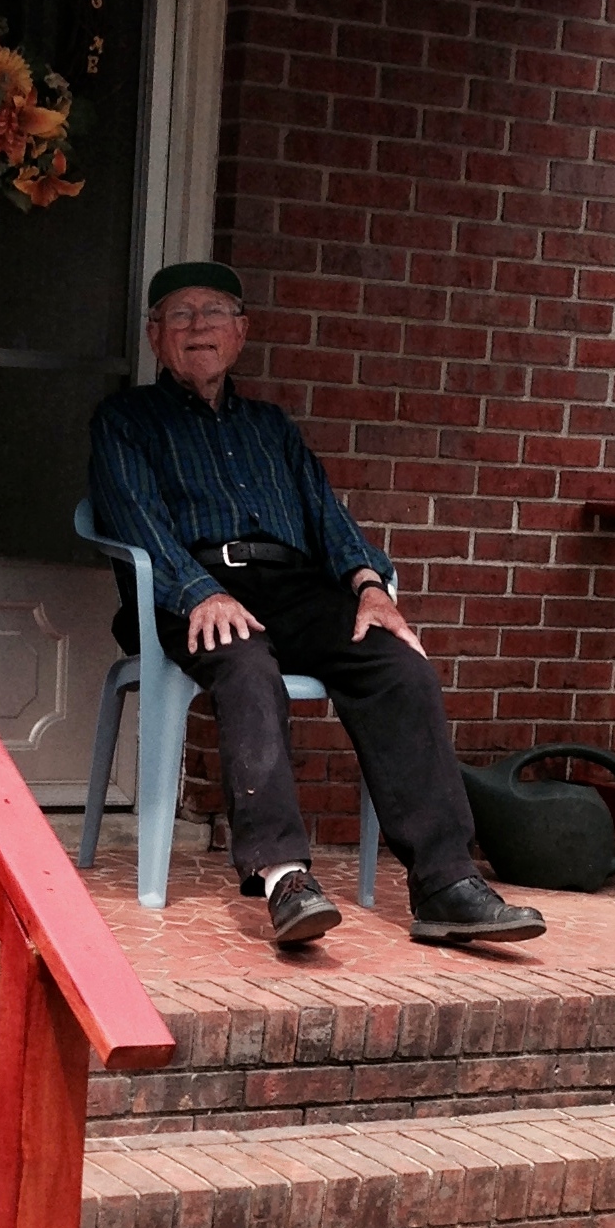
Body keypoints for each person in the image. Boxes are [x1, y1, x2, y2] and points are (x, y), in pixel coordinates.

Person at [88, 261, 546, 948]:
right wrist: (199, 591)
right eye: (180, 316)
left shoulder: (271, 427)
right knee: (244, 665)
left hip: (295, 588)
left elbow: (326, 515)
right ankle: (284, 877)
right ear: (155, 336)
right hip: (188, 591)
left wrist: (367, 582)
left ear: (240, 332)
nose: (198, 327)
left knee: (399, 666)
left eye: (213, 312)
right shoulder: (127, 419)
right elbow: (132, 517)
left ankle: (446, 883)